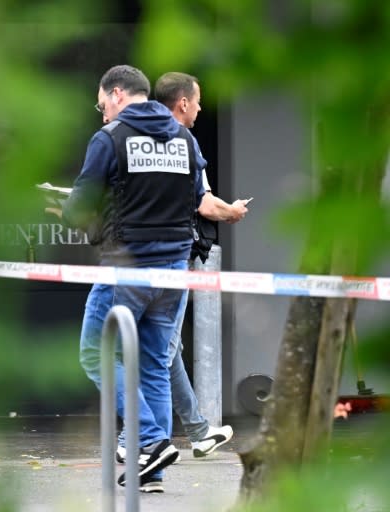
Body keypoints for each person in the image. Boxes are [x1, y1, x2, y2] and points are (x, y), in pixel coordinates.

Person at [62, 65, 224, 493]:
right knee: (153, 364)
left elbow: (79, 208)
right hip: (173, 271)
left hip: (127, 269)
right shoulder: (184, 138)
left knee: (95, 354)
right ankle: (152, 471)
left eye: (102, 106)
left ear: (117, 94)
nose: (102, 115)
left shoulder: (110, 139)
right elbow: (197, 201)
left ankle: (150, 439)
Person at [154, 71, 251, 460]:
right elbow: (203, 202)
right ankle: (143, 439)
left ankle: (195, 431)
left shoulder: (135, 139)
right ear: (182, 103)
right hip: (172, 256)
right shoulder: (183, 141)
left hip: (139, 256)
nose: (200, 108)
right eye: (196, 101)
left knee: (165, 345)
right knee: (160, 348)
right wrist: (234, 211)